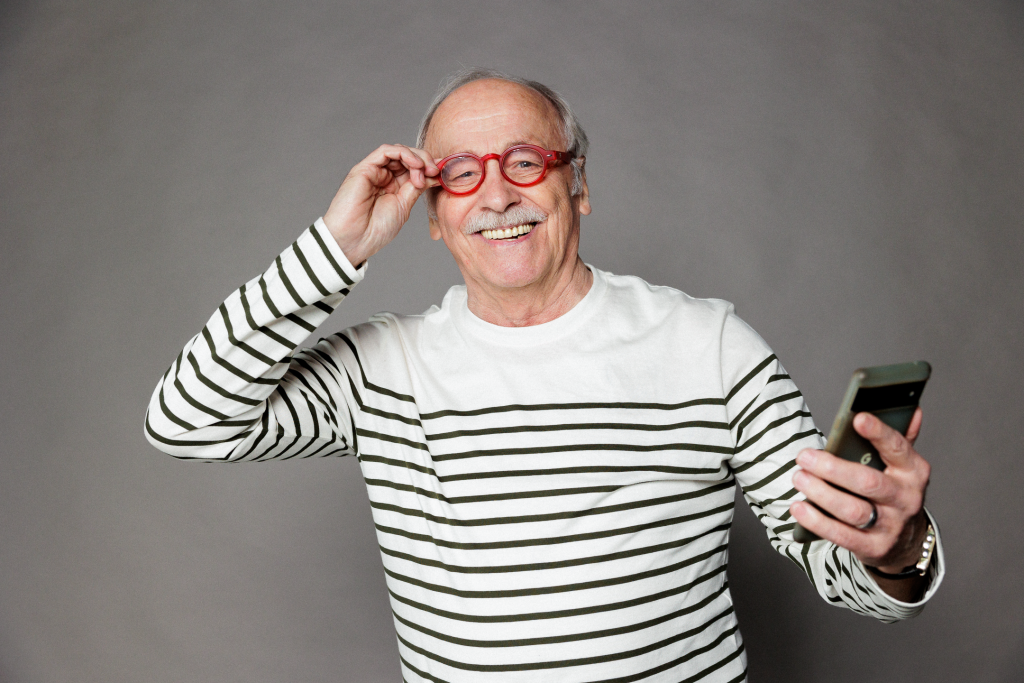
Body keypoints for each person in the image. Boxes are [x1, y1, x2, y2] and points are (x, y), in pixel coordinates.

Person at [145, 68, 944, 682]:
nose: (496, 192)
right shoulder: (379, 369)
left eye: (524, 160)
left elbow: (844, 568)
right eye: (460, 172)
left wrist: (895, 547)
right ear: (433, 212)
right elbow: (186, 420)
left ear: (579, 184)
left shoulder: (711, 346)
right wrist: (336, 245)